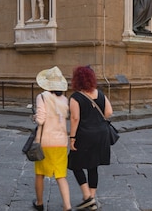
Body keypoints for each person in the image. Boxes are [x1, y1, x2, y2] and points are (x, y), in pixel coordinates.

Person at [68, 65, 113, 210]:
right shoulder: (100, 94)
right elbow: (109, 113)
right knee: (93, 166)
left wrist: (72, 137)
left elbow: (75, 118)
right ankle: (92, 199)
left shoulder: (75, 97)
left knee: (75, 164)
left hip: (84, 135)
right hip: (101, 134)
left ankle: (87, 196)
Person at [33, 66, 71, 211]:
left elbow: (41, 120)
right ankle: (67, 206)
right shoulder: (65, 100)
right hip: (61, 142)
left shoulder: (42, 97)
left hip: (45, 142)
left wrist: (35, 117)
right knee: (61, 175)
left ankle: (39, 202)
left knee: (39, 174)